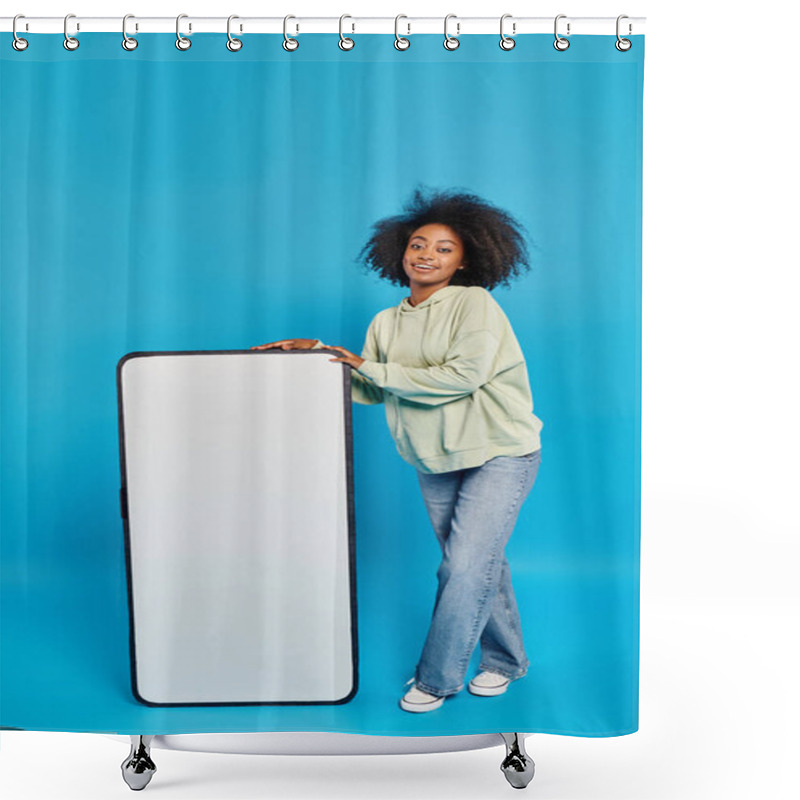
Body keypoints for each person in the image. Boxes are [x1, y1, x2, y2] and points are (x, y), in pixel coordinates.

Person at [252, 186, 543, 713]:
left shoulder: (475, 304)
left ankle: (437, 678)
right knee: (480, 565)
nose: (426, 254)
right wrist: (316, 355)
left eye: (443, 248)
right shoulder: (387, 322)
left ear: (464, 260)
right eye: (418, 243)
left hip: (499, 450)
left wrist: (366, 365)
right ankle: (506, 661)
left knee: (463, 568)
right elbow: (371, 388)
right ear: (399, 252)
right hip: (434, 459)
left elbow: (462, 377)